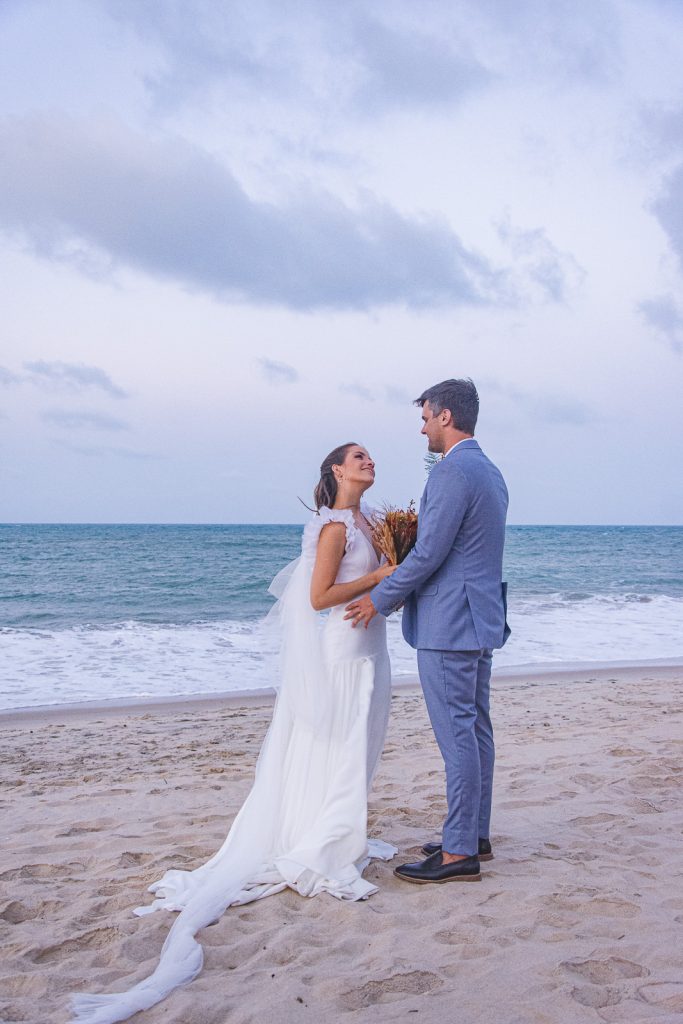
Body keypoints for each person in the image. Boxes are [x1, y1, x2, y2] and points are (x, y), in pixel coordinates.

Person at [72, 443, 397, 1024]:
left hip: (372, 644)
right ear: (336, 471)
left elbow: (383, 580)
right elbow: (319, 598)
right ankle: (325, 840)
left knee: (361, 743)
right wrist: (379, 576)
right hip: (345, 648)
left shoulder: (371, 520)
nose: (370, 461)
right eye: (359, 456)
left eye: (371, 455)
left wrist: (388, 583)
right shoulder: (333, 528)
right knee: (339, 746)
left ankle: (335, 828)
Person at [346, 379, 510, 884]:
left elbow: (431, 553)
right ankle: (473, 833)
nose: (422, 429)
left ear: (444, 416)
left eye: (424, 419)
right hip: (479, 618)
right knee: (476, 729)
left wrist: (379, 598)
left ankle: (460, 852)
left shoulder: (452, 472)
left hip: (449, 624)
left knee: (458, 735)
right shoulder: (490, 471)